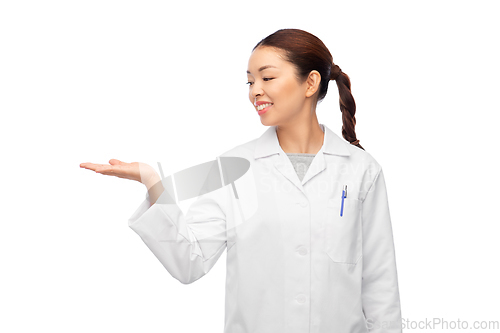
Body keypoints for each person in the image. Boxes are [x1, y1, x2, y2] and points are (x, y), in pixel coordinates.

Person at [80, 28, 402, 333]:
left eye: (267, 77)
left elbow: (379, 286)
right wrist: (153, 182)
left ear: (310, 83)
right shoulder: (234, 168)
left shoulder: (361, 170)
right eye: (250, 82)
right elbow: (188, 261)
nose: (255, 91)